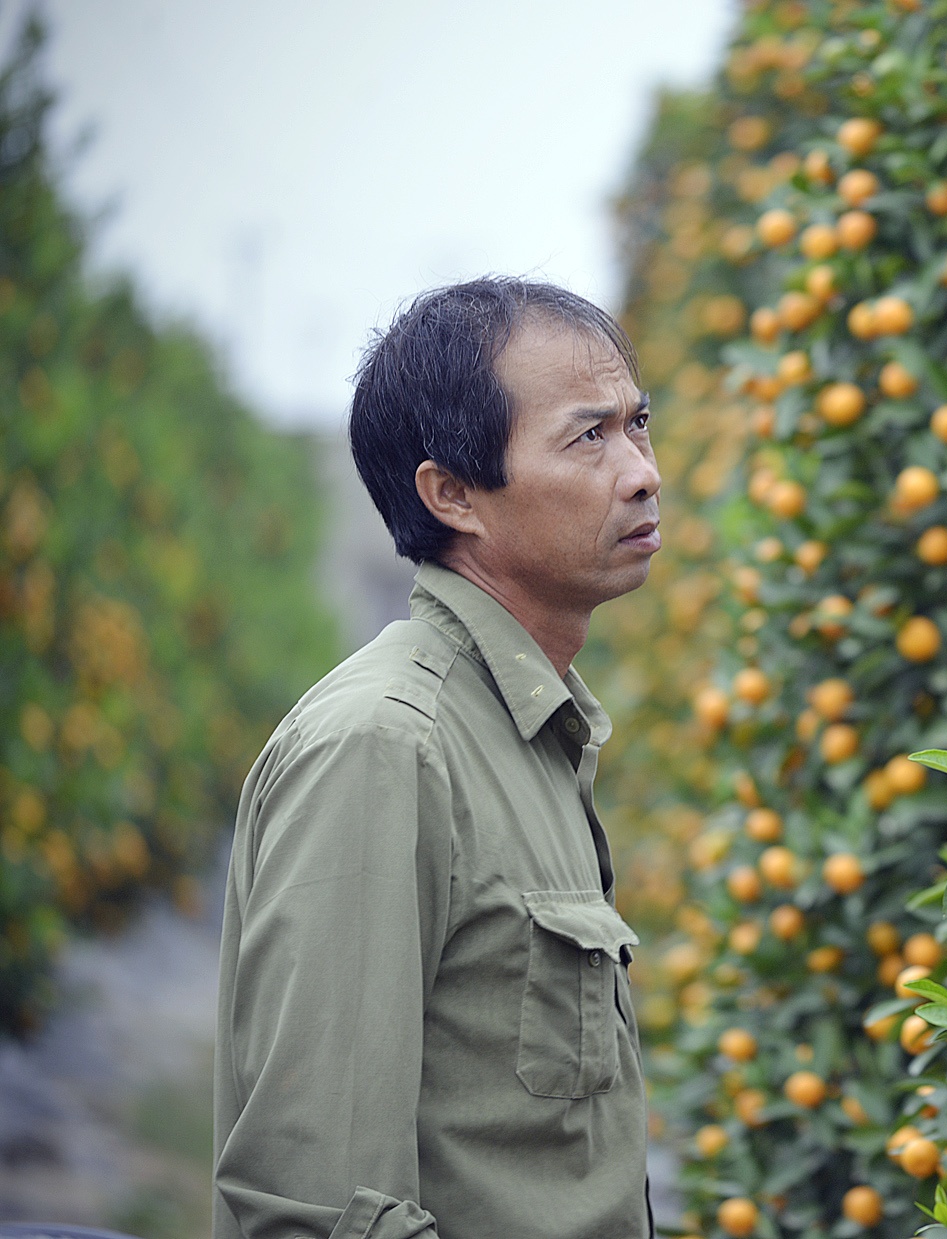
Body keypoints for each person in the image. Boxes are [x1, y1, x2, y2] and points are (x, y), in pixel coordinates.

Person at [212, 278, 661, 1238]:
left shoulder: (532, 732)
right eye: (590, 436)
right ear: (451, 493)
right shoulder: (385, 746)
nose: (640, 471)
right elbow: (318, 1207)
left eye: (639, 424)